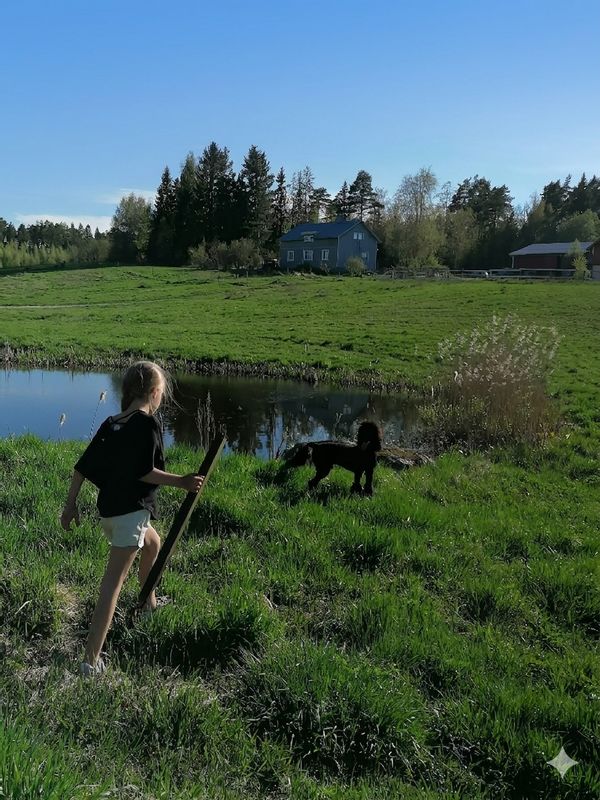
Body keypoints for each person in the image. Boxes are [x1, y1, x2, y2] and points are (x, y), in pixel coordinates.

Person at [60, 360, 203, 676]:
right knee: (111, 584)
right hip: (130, 515)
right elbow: (145, 472)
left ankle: (148, 604)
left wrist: (70, 506)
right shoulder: (147, 424)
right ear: (154, 393)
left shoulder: (112, 423)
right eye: (161, 394)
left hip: (110, 514)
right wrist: (181, 481)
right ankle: (90, 662)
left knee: (153, 543)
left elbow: (81, 467)